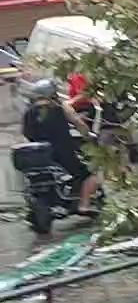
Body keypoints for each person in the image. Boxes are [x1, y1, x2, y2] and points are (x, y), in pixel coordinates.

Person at [20, 78, 99, 218]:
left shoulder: (28, 112)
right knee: (90, 175)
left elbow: (26, 133)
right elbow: (79, 124)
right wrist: (88, 136)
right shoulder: (61, 107)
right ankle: (83, 206)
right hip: (63, 152)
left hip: (39, 156)